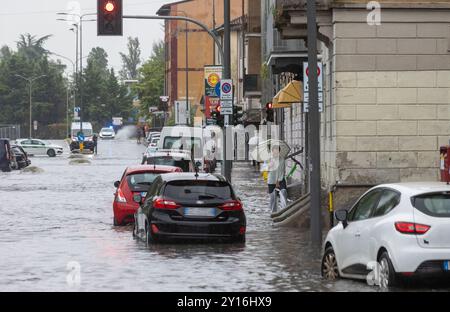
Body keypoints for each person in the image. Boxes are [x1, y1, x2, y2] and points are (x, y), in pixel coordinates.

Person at [267, 145, 288, 213]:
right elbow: (266, 170)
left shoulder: (282, 159)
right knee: (273, 198)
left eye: (277, 151)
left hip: (280, 179)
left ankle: (284, 211)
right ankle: (273, 213)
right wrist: (269, 166)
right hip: (271, 181)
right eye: (274, 151)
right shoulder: (269, 159)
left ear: (279, 151)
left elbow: (281, 171)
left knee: (283, 192)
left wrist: (278, 181)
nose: (275, 153)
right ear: (272, 152)